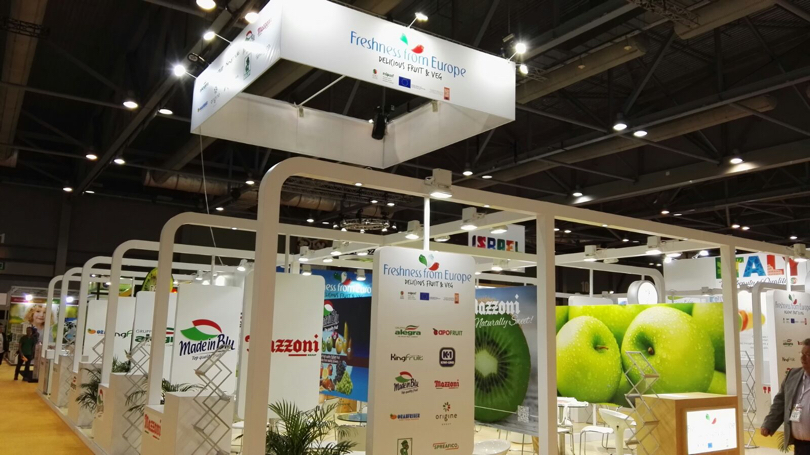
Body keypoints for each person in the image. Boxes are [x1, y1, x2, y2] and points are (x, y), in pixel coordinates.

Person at [762, 338, 810, 453]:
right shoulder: (793, 374)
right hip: (800, 445)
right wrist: (769, 424)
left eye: (808, 355)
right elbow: (780, 402)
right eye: (802, 354)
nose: (802, 358)